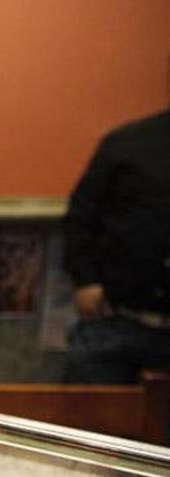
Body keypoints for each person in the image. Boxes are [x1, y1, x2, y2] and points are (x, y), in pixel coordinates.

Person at [62, 109, 170, 384]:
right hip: (116, 318)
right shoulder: (128, 143)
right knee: (89, 422)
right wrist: (85, 280)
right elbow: (80, 218)